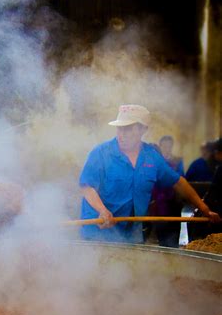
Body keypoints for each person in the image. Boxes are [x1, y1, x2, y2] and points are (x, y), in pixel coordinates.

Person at [79, 105, 220, 243]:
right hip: (99, 232)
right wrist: (103, 211)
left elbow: (178, 182)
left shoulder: (151, 157)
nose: (121, 134)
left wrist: (204, 209)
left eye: (127, 129)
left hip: (131, 234)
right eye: (119, 128)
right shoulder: (101, 153)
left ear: (143, 129)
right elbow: (86, 187)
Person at [150, 135, 184, 247]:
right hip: (158, 206)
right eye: (164, 146)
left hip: (173, 203)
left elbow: (181, 179)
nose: (167, 148)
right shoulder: (153, 163)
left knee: (173, 236)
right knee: (161, 238)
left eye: (169, 146)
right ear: (161, 146)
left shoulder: (177, 161)